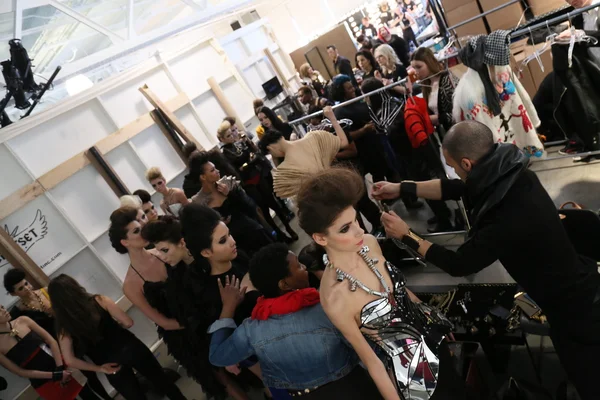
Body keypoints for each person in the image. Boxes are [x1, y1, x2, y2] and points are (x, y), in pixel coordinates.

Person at [373, 120, 600, 400]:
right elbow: (457, 188)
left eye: (454, 165)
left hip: (572, 310)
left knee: (587, 375)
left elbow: (460, 264)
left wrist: (406, 235)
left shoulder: (504, 215)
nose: (454, 171)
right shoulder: (512, 173)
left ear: (467, 163)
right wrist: (401, 188)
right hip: (577, 283)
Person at [296, 167, 461, 400]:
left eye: (355, 220)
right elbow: (371, 362)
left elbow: (400, 291)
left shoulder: (370, 244)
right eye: (345, 228)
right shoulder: (334, 298)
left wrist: (431, 318)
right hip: (413, 374)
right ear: (320, 238)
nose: (359, 230)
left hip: (434, 336)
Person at [208, 243, 383, 400]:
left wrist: (228, 309)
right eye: (298, 266)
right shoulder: (326, 308)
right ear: (284, 284)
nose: (304, 267)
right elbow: (371, 344)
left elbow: (218, 356)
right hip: (354, 388)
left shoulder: (252, 329)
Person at [140, 217, 249, 399]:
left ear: (182, 242)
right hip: (213, 337)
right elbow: (198, 321)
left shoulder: (207, 260)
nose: (163, 257)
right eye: (160, 252)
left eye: (165, 250)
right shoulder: (177, 279)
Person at [48, 275, 186, 400]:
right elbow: (128, 322)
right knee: (163, 381)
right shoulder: (99, 300)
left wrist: (100, 369)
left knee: (135, 397)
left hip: (109, 364)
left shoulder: (63, 327)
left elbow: (70, 360)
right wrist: (116, 326)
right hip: (130, 347)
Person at [4, 269, 113, 400]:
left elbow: (68, 308)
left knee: (97, 366)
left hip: (75, 335)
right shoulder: (18, 313)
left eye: (26, 284)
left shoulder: (47, 292)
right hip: (56, 348)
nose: (27, 289)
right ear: (13, 294)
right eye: (21, 288)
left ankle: (107, 396)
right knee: (83, 378)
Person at [361, 78, 453, 232]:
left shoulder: (389, 108)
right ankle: (442, 212)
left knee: (422, 186)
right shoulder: (389, 104)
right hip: (408, 153)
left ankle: (445, 221)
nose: (365, 99)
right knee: (422, 185)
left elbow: (387, 129)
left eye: (366, 95)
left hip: (412, 153)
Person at [218, 120, 298, 243]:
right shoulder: (225, 153)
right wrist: (249, 161)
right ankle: (280, 234)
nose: (233, 136)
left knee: (274, 204)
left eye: (232, 133)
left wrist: (248, 160)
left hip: (257, 176)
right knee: (265, 210)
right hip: (249, 183)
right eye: (228, 135)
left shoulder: (238, 144)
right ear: (222, 139)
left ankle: (289, 228)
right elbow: (241, 163)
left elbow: (254, 154)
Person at [109, 207, 184, 334]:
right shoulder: (130, 285)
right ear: (125, 242)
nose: (143, 231)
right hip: (183, 334)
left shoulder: (163, 252)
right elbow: (164, 323)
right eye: (136, 231)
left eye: (141, 225)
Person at [189, 151, 274, 256]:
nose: (217, 171)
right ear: (203, 177)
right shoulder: (198, 202)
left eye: (215, 168)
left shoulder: (228, 183)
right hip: (235, 245)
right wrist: (217, 223)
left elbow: (251, 207)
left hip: (253, 231)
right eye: (212, 170)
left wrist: (230, 194)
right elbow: (204, 231)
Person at [258, 106, 349, 199]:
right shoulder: (314, 136)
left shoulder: (283, 175)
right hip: (338, 186)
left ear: (271, 148)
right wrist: (332, 117)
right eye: (261, 119)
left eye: (265, 117)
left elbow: (286, 195)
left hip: (321, 200)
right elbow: (344, 143)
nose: (264, 121)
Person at [0, 306, 86, 400]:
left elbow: (51, 341)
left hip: (60, 363)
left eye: (2, 307)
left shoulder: (23, 320)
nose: (3, 311)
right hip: (42, 381)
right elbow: (19, 371)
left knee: (88, 391)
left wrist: (59, 368)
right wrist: (55, 375)